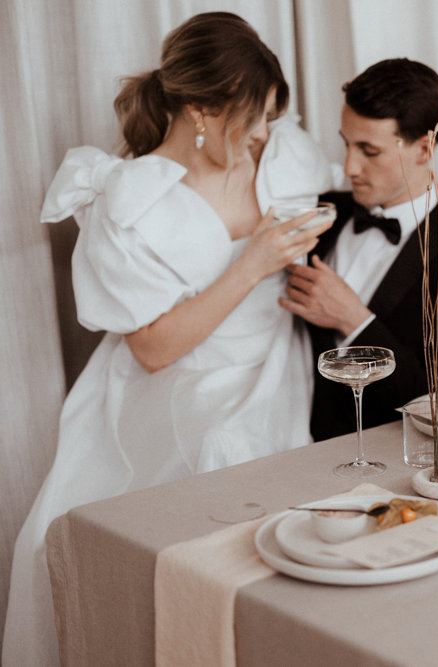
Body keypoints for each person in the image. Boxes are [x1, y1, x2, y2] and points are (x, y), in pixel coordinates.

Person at [3, 12, 336, 666]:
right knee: (207, 459)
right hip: (175, 371)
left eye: (272, 115)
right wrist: (253, 261)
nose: (266, 133)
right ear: (200, 111)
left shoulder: (278, 152)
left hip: (274, 359)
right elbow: (152, 349)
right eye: (253, 118)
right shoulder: (132, 201)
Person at [281, 58, 438, 440]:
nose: (349, 166)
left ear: (424, 149)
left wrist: (354, 320)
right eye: (347, 145)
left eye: (368, 151)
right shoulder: (321, 212)